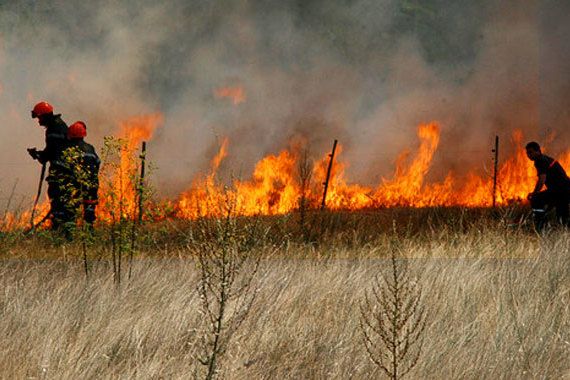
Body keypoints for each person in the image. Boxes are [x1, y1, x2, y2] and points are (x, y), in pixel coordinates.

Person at [27, 101, 70, 230]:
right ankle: (63, 226)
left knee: (57, 198)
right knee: (62, 200)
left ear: (45, 116)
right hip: (65, 170)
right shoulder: (59, 126)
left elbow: (52, 152)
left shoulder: (54, 129)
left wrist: (39, 155)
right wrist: (40, 155)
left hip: (60, 171)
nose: (39, 121)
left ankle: (58, 228)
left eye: (39, 117)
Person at [525, 141, 570, 231]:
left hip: (561, 190)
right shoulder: (545, 159)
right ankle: (564, 232)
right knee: (562, 216)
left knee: (536, 200)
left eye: (530, 152)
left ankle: (541, 227)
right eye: (527, 153)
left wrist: (534, 193)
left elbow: (542, 180)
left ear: (538, 151)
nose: (528, 155)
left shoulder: (540, 161)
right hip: (564, 189)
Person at [65, 121, 100, 226]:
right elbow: (98, 162)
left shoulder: (70, 150)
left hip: (75, 183)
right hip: (92, 183)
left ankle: (70, 234)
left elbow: (66, 167)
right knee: (89, 210)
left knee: (72, 209)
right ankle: (89, 233)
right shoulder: (90, 148)